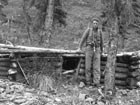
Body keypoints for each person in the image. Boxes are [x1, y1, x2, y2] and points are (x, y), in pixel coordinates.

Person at [78, 17, 103, 86]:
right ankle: (88, 82)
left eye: (96, 23)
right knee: (88, 66)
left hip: (97, 49)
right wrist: (79, 47)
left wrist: (102, 51)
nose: (95, 24)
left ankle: (96, 82)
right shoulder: (88, 30)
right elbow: (83, 39)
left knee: (97, 67)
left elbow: (102, 42)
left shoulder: (100, 32)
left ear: (98, 24)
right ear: (92, 24)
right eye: (94, 23)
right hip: (89, 49)